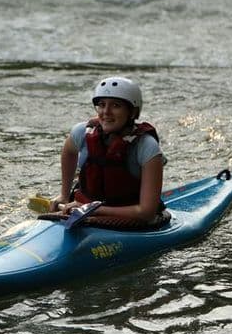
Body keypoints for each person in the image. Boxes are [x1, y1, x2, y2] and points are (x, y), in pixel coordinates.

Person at [51, 76, 166, 224]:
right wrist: (64, 195)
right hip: (82, 212)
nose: (106, 112)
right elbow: (69, 152)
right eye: (101, 104)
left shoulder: (147, 146)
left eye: (116, 105)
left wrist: (93, 209)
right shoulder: (82, 132)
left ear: (131, 112)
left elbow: (146, 212)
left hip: (130, 220)